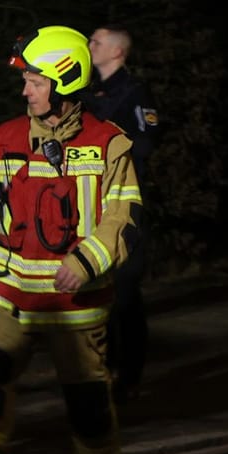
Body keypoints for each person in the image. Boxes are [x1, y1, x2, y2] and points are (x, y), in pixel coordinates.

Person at [0, 26, 141, 454]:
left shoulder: (109, 145)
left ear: (63, 84)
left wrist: (86, 261)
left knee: (87, 397)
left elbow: (125, 218)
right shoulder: (8, 137)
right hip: (10, 297)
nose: (25, 90)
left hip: (74, 302)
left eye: (34, 81)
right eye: (26, 80)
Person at [84, 25, 159, 396]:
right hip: (91, 202)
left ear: (117, 52)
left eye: (96, 41)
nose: (89, 45)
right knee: (97, 287)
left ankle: (128, 375)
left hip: (125, 203)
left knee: (125, 290)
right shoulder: (88, 93)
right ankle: (101, 366)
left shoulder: (134, 94)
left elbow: (145, 145)